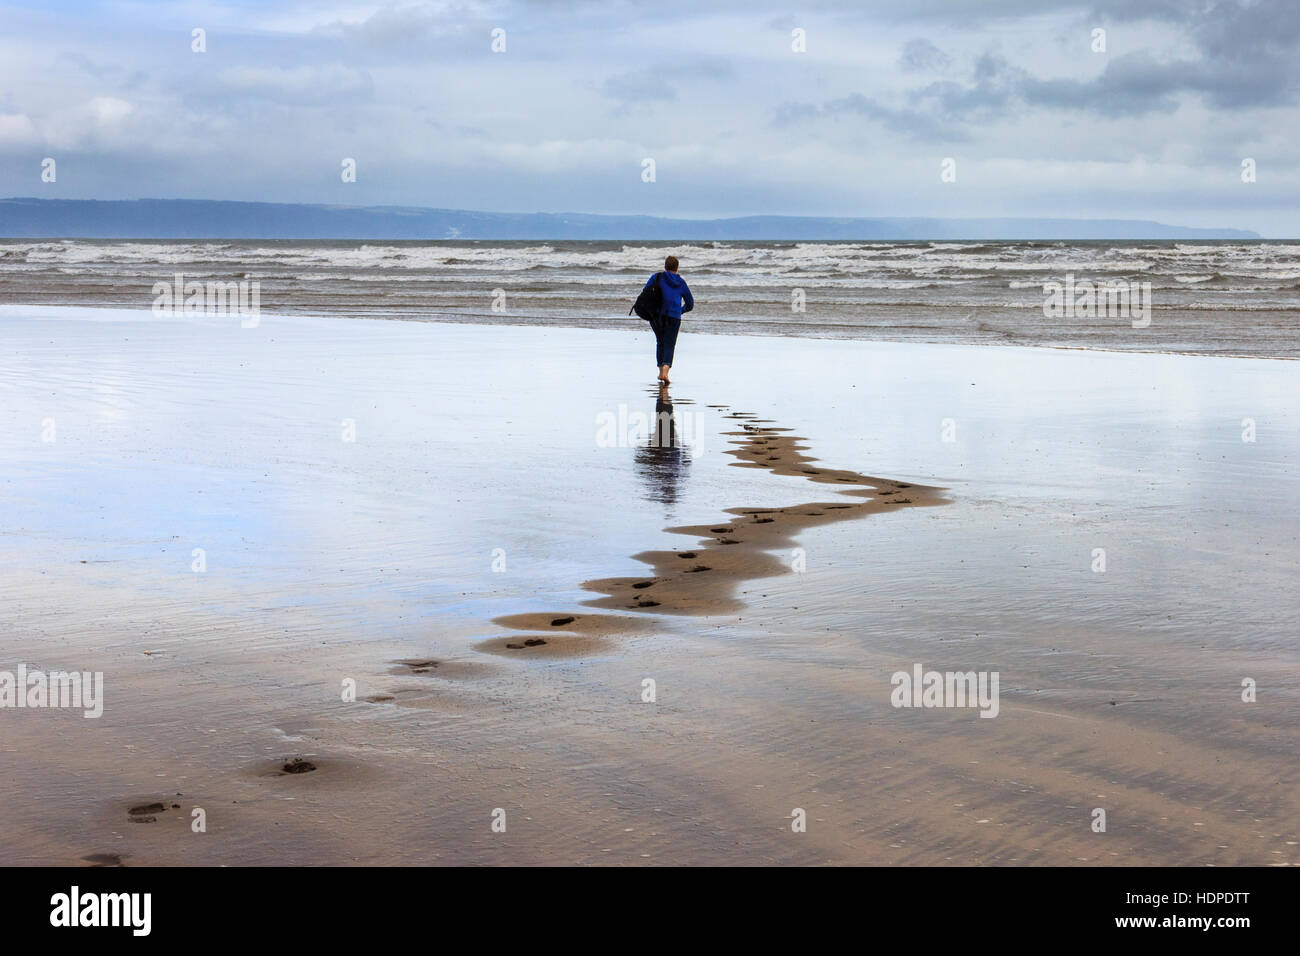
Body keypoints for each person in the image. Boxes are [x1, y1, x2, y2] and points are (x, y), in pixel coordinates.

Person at [643, 255, 693, 384]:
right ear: (677, 268)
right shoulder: (681, 282)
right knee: (670, 344)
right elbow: (690, 303)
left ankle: (660, 373)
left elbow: (645, 292)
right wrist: (680, 310)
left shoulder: (656, 277)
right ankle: (665, 372)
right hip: (674, 317)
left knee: (660, 342)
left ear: (665, 266)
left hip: (656, 316)